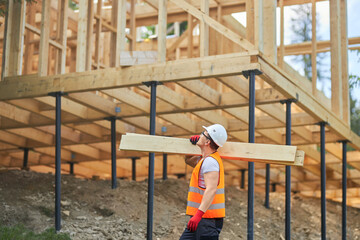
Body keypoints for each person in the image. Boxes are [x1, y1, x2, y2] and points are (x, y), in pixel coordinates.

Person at [179, 124, 227, 240]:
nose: (200, 135)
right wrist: (194, 146)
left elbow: (211, 189)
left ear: (207, 142)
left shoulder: (210, 162)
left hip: (207, 219)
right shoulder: (205, 160)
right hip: (201, 219)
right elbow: (188, 160)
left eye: (203, 134)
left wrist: (198, 215)